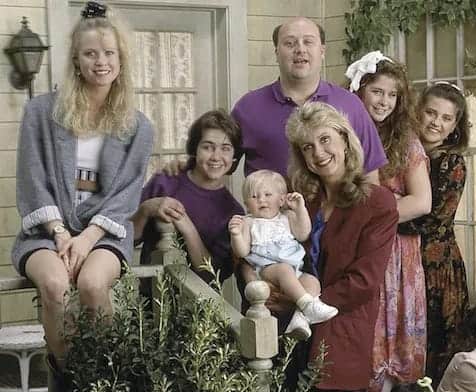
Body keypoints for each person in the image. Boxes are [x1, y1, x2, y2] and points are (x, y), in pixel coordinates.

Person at [11, 0, 153, 371]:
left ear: (121, 60)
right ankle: (70, 381)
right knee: (56, 286)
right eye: (90, 54)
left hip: (104, 232)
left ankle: (108, 382)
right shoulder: (41, 113)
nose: (100, 61)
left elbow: (126, 194)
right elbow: (32, 180)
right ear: (76, 60)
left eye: (109, 53)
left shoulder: (138, 126)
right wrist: (59, 233)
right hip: (46, 231)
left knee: (91, 284)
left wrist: (88, 237)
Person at [279, 101, 398, 392]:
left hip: (340, 332)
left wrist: (301, 300)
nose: (319, 153)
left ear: (345, 141)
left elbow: (364, 282)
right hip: (293, 335)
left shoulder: (378, 203)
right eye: (307, 147)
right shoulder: (305, 203)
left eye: (325, 139)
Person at [346, 50, 431, 392]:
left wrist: (371, 221)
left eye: (392, 95)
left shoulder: (405, 140)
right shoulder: (343, 134)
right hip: (355, 250)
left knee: (397, 335)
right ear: (359, 90)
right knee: (360, 332)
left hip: (396, 251)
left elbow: (422, 201)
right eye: (377, 92)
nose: (384, 101)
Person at [231, 16, 387, 182]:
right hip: (273, 207)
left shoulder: (350, 105)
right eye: (290, 43)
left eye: (308, 42)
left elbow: (370, 176)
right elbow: (216, 164)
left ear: (322, 51)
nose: (300, 49)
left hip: (339, 206)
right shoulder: (248, 108)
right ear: (276, 53)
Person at [399, 81, 471, 384]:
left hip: (436, 266)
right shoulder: (402, 153)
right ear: (418, 112)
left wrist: (377, 214)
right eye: (431, 112)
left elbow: (429, 220)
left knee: (437, 346)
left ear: (455, 126)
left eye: (446, 118)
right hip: (401, 259)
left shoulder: (451, 162)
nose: (436, 123)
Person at [133, 110, 244, 284]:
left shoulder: (232, 211)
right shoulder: (166, 181)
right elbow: (128, 240)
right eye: (207, 147)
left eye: (225, 149)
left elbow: (213, 276)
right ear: (195, 149)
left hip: (201, 307)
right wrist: (146, 209)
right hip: (152, 300)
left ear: (234, 156)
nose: (216, 156)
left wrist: (188, 229)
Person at [228, 170, 338, 339]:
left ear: (281, 199)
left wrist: (300, 209)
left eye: (267, 194)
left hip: (295, 270)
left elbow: (303, 234)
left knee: (312, 282)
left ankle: (299, 319)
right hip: (266, 269)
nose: (261, 200)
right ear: (246, 203)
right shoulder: (248, 222)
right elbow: (242, 251)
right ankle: (307, 306)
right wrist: (236, 234)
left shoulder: (287, 217)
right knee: (284, 270)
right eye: (254, 196)